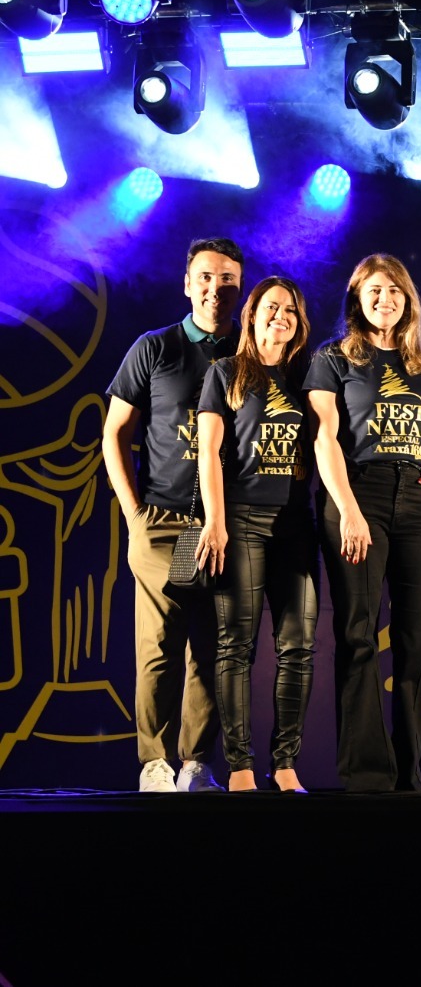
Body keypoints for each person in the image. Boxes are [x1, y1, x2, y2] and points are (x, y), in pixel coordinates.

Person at [306, 254, 421, 792]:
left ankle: (411, 775)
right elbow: (324, 437)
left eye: (394, 290)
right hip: (358, 493)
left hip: (418, 500)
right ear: (357, 299)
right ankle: (367, 776)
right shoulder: (333, 357)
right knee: (358, 634)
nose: (385, 299)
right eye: (374, 290)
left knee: (420, 639)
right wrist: (348, 509)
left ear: (408, 299)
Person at [104, 237, 243, 793]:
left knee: (210, 648)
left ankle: (195, 763)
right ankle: (155, 762)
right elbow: (114, 433)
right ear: (187, 283)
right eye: (205, 277)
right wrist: (134, 513)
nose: (215, 289)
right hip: (165, 524)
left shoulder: (250, 352)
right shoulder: (155, 348)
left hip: (228, 527)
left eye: (228, 280)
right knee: (160, 645)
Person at [195, 276, 321, 793]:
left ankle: (285, 763)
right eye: (271, 307)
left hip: (295, 523)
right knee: (236, 646)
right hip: (240, 520)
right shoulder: (226, 372)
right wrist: (216, 521)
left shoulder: (308, 376)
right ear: (252, 315)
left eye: (290, 310)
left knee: (299, 646)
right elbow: (208, 452)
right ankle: (241, 765)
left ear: (299, 322)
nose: (280, 316)